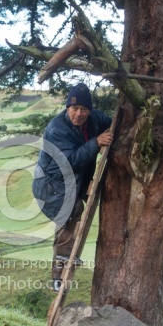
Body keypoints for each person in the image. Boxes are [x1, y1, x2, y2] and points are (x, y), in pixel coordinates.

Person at [32, 82, 113, 291]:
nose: (79, 113)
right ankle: (59, 277)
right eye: (74, 108)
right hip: (52, 184)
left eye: (84, 109)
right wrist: (97, 143)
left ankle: (66, 264)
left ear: (89, 110)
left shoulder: (94, 119)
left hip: (73, 181)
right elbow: (69, 162)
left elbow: (113, 122)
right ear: (67, 108)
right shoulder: (57, 129)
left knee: (73, 214)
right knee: (69, 215)